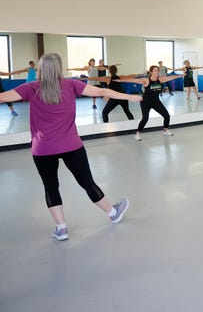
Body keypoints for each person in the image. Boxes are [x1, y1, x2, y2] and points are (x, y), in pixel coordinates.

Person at [0, 53, 141, 241]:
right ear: (59, 68)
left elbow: (1, 97)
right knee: (87, 182)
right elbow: (103, 92)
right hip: (71, 146)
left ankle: (61, 228)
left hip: (42, 149)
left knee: (51, 188)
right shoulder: (71, 84)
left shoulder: (31, 88)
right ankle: (113, 213)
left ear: (40, 69)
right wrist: (129, 96)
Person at [117, 65, 183, 141]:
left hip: (156, 102)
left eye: (158, 70)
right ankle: (138, 134)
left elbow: (170, 77)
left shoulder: (160, 79)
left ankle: (165, 130)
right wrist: (121, 80)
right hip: (146, 102)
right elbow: (133, 80)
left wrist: (180, 75)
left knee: (167, 115)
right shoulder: (146, 80)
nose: (157, 72)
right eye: (155, 70)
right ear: (151, 72)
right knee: (145, 118)